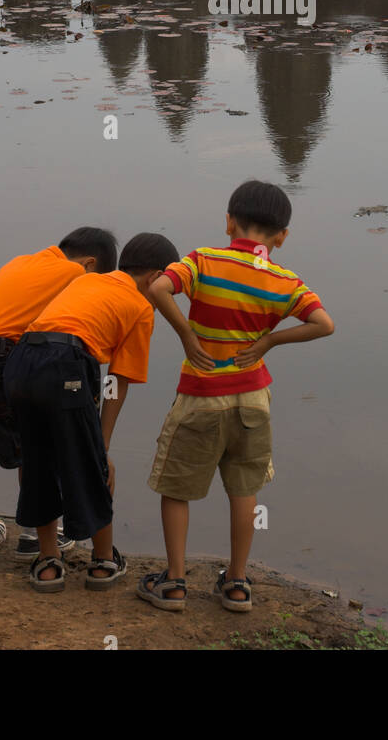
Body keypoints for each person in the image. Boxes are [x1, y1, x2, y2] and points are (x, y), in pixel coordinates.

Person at [138, 180, 334, 613]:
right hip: (252, 398)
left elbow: (157, 290)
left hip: (201, 394)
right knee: (244, 489)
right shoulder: (285, 280)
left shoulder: (203, 260)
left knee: (177, 488)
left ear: (229, 222)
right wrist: (269, 343)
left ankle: (174, 582)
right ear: (281, 236)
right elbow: (324, 324)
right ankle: (238, 584)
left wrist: (188, 336)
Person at [4, 232, 179, 593]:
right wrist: (103, 445)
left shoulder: (91, 282)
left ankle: (49, 561)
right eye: (168, 289)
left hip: (21, 362)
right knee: (91, 464)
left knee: (37, 462)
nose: (166, 299)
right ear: (153, 278)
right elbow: (120, 380)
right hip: (65, 363)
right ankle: (102, 562)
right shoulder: (142, 308)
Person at [0, 229, 117, 559]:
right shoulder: (76, 275)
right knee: (36, 445)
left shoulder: (22, 262)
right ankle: (34, 536)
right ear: (89, 264)